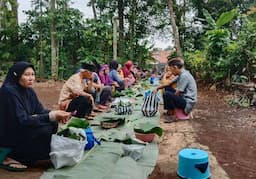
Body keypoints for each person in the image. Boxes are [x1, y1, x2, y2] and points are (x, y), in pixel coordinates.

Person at [0, 61, 71, 171]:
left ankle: (34, 156)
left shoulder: (29, 91)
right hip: (10, 133)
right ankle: (13, 157)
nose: (31, 78)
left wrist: (57, 114)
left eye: (32, 74)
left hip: (23, 127)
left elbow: (40, 110)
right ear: (16, 75)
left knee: (52, 123)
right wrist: (50, 116)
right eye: (26, 75)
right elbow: (21, 120)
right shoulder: (8, 92)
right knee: (44, 130)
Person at [154, 57, 197, 122]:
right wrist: (157, 88)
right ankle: (170, 111)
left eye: (171, 70)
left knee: (167, 94)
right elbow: (169, 84)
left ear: (175, 67)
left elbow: (178, 93)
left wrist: (171, 98)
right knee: (167, 88)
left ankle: (173, 115)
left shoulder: (184, 76)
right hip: (183, 97)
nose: (171, 72)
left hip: (188, 103)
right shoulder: (181, 74)